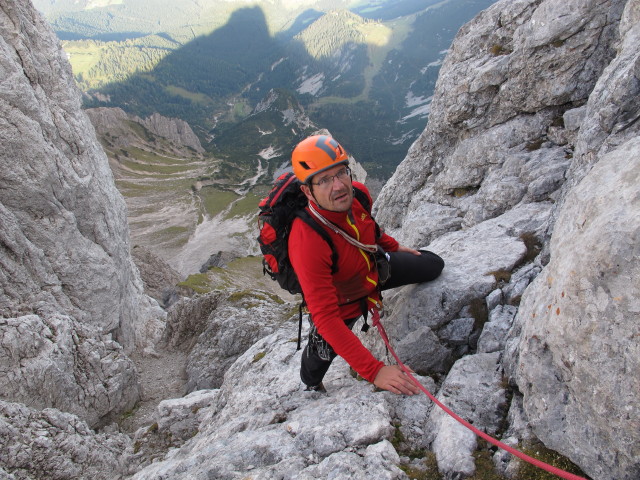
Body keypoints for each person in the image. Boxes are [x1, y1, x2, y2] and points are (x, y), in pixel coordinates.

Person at [288, 135, 444, 395]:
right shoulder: (307, 240)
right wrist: (375, 371)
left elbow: (368, 226)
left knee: (432, 264)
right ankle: (311, 377)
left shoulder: (356, 193)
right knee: (316, 365)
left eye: (341, 173)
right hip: (343, 301)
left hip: (374, 270)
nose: (338, 186)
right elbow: (326, 315)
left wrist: (393, 246)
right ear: (307, 191)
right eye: (324, 180)